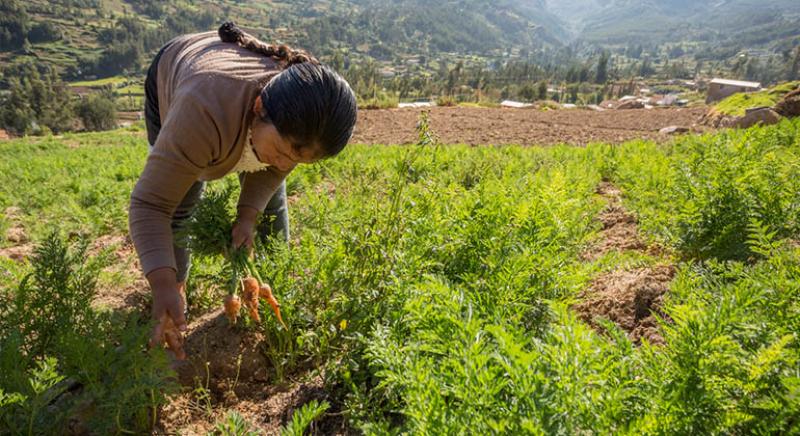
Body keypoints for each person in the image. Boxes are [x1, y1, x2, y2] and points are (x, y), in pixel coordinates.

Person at [130, 22, 357, 358]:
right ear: (258, 108)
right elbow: (151, 205)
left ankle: (275, 286)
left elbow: (276, 166)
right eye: (283, 151)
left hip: (232, 93)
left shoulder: (308, 115)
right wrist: (162, 283)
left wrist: (248, 216)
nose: (284, 164)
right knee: (181, 203)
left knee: (269, 208)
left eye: (298, 160)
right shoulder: (202, 113)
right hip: (176, 70)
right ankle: (175, 295)